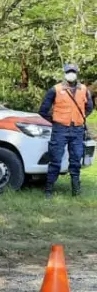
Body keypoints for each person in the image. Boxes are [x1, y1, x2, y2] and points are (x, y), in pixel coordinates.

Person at [39, 63, 92, 198]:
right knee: (55, 160)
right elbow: (43, 110)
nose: (71, 73)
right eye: (69, 71)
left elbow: (89, 108)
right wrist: (56, 120)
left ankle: (76, 191)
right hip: (60, 129)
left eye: (73, 71)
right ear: (64, 72)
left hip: (77, 130)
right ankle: (48, 190)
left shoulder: (84, 89)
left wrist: (80, 118)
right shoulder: (55, 89)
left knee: (76, 161)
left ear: (77, 73)